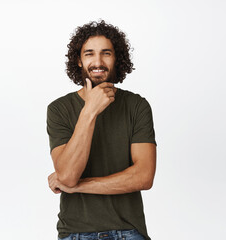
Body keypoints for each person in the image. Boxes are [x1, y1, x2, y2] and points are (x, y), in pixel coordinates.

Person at [46, 20, 157, 240]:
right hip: (75, 233)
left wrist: (78, 187)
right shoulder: (59, 109)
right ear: (79, 60)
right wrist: (89, 111)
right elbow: (67, 175)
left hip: (129, 232)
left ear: (117, 58)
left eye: (106, 53)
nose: (98, 62)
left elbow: (144, 177)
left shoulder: (137, 106)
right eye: (89, 54)